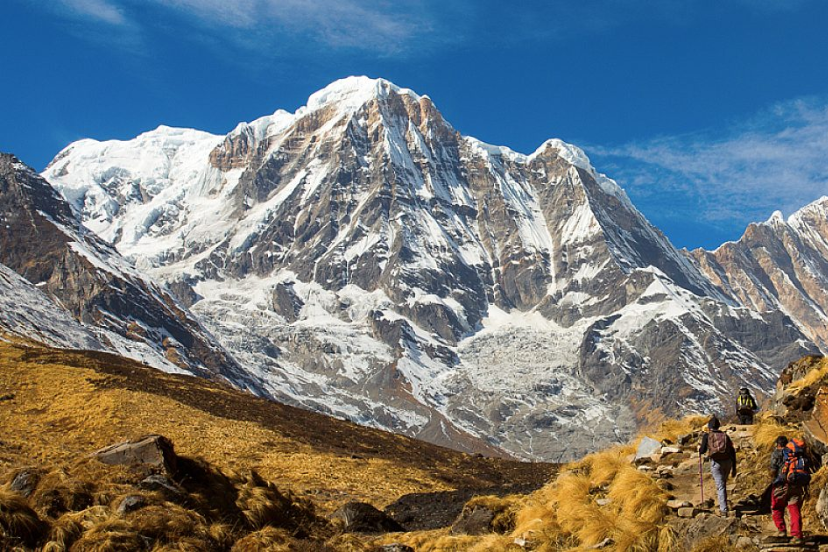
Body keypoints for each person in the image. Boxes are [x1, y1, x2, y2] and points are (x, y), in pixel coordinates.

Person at [771, 436, 810, 544]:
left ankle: (781, 530)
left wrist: (774, 479)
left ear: (778, 444)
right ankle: (797, 535)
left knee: (777, 507)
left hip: (782, 485)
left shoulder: (779, 453)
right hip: (797, 484)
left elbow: (773, 471)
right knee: (794, 509)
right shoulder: (803, 457)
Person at [699, 416, 737, 516]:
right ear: (719, 425)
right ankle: (724, 504)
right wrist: (734, 467)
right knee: (723, 484)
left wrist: (699, 449)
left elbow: (702, 450)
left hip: (716, 462)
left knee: (720, 487)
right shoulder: (725, 435)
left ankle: (723, 510)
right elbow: (732, 451)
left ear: (709, 426)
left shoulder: (707, 436)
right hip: (728, 462)